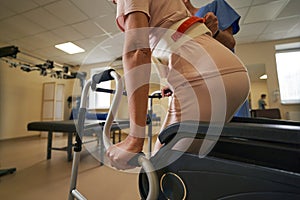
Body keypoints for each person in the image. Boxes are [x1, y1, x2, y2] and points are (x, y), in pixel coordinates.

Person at [107, 0, 250, 170]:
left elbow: (137, 51)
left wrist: (134, 138)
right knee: (191, 165)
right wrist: (170, 81)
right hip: (231, 71)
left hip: (204, 80)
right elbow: (177, 36)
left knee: (161, 172)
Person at [182, 0, 251, 117]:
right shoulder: (178, 30)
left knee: (236, 131)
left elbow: (230, 42)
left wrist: (215, 32)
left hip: (226, 85)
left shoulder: (214, 6)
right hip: (201, 92)